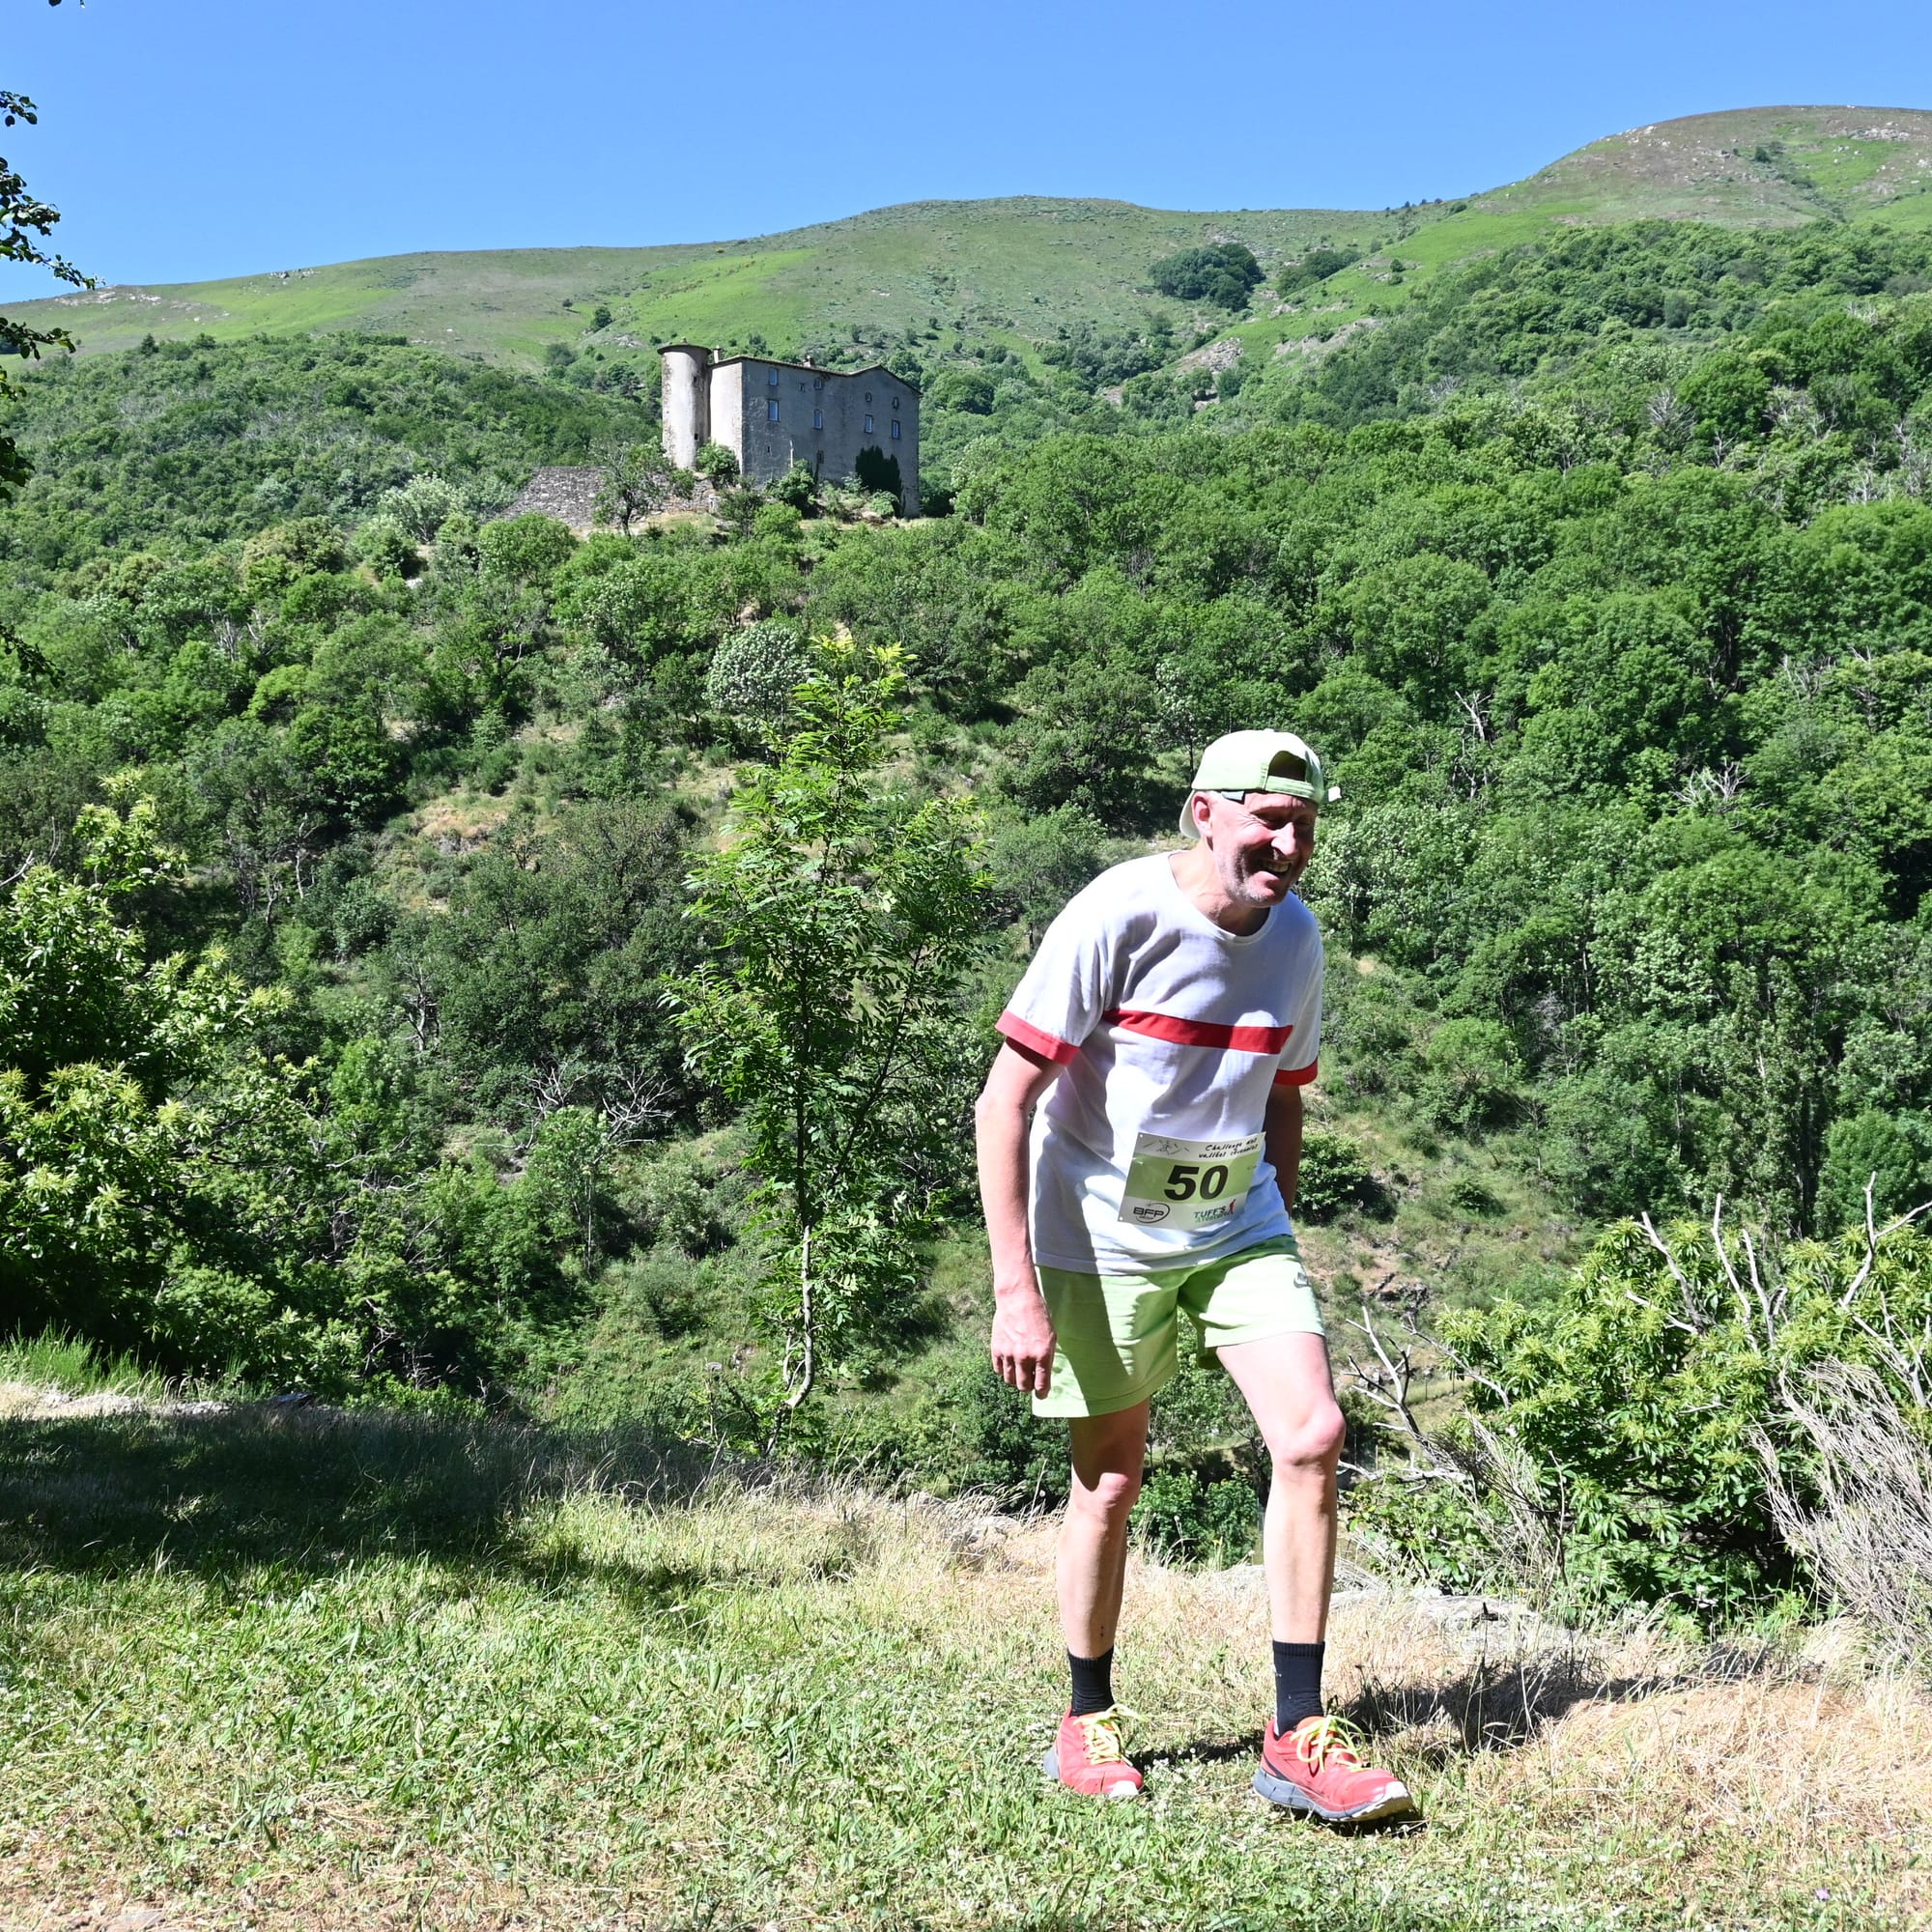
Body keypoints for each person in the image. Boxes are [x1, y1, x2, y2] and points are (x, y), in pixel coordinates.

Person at [973, 728, 1414, 1824]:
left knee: (1311, 1434)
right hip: (1101, 1235)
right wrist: (1014, 1291)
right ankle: (1087, 1717)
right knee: (1109, 1481)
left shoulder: (1295, 936)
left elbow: (1282, 1093)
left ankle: (1297, 1733)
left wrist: (1278, 1229)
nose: (1289, 845)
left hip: (1236, 1225)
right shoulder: (1116, 913)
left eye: (1305, 826)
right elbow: (1003, 1101)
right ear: (1203, 813)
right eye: (1270, 821)